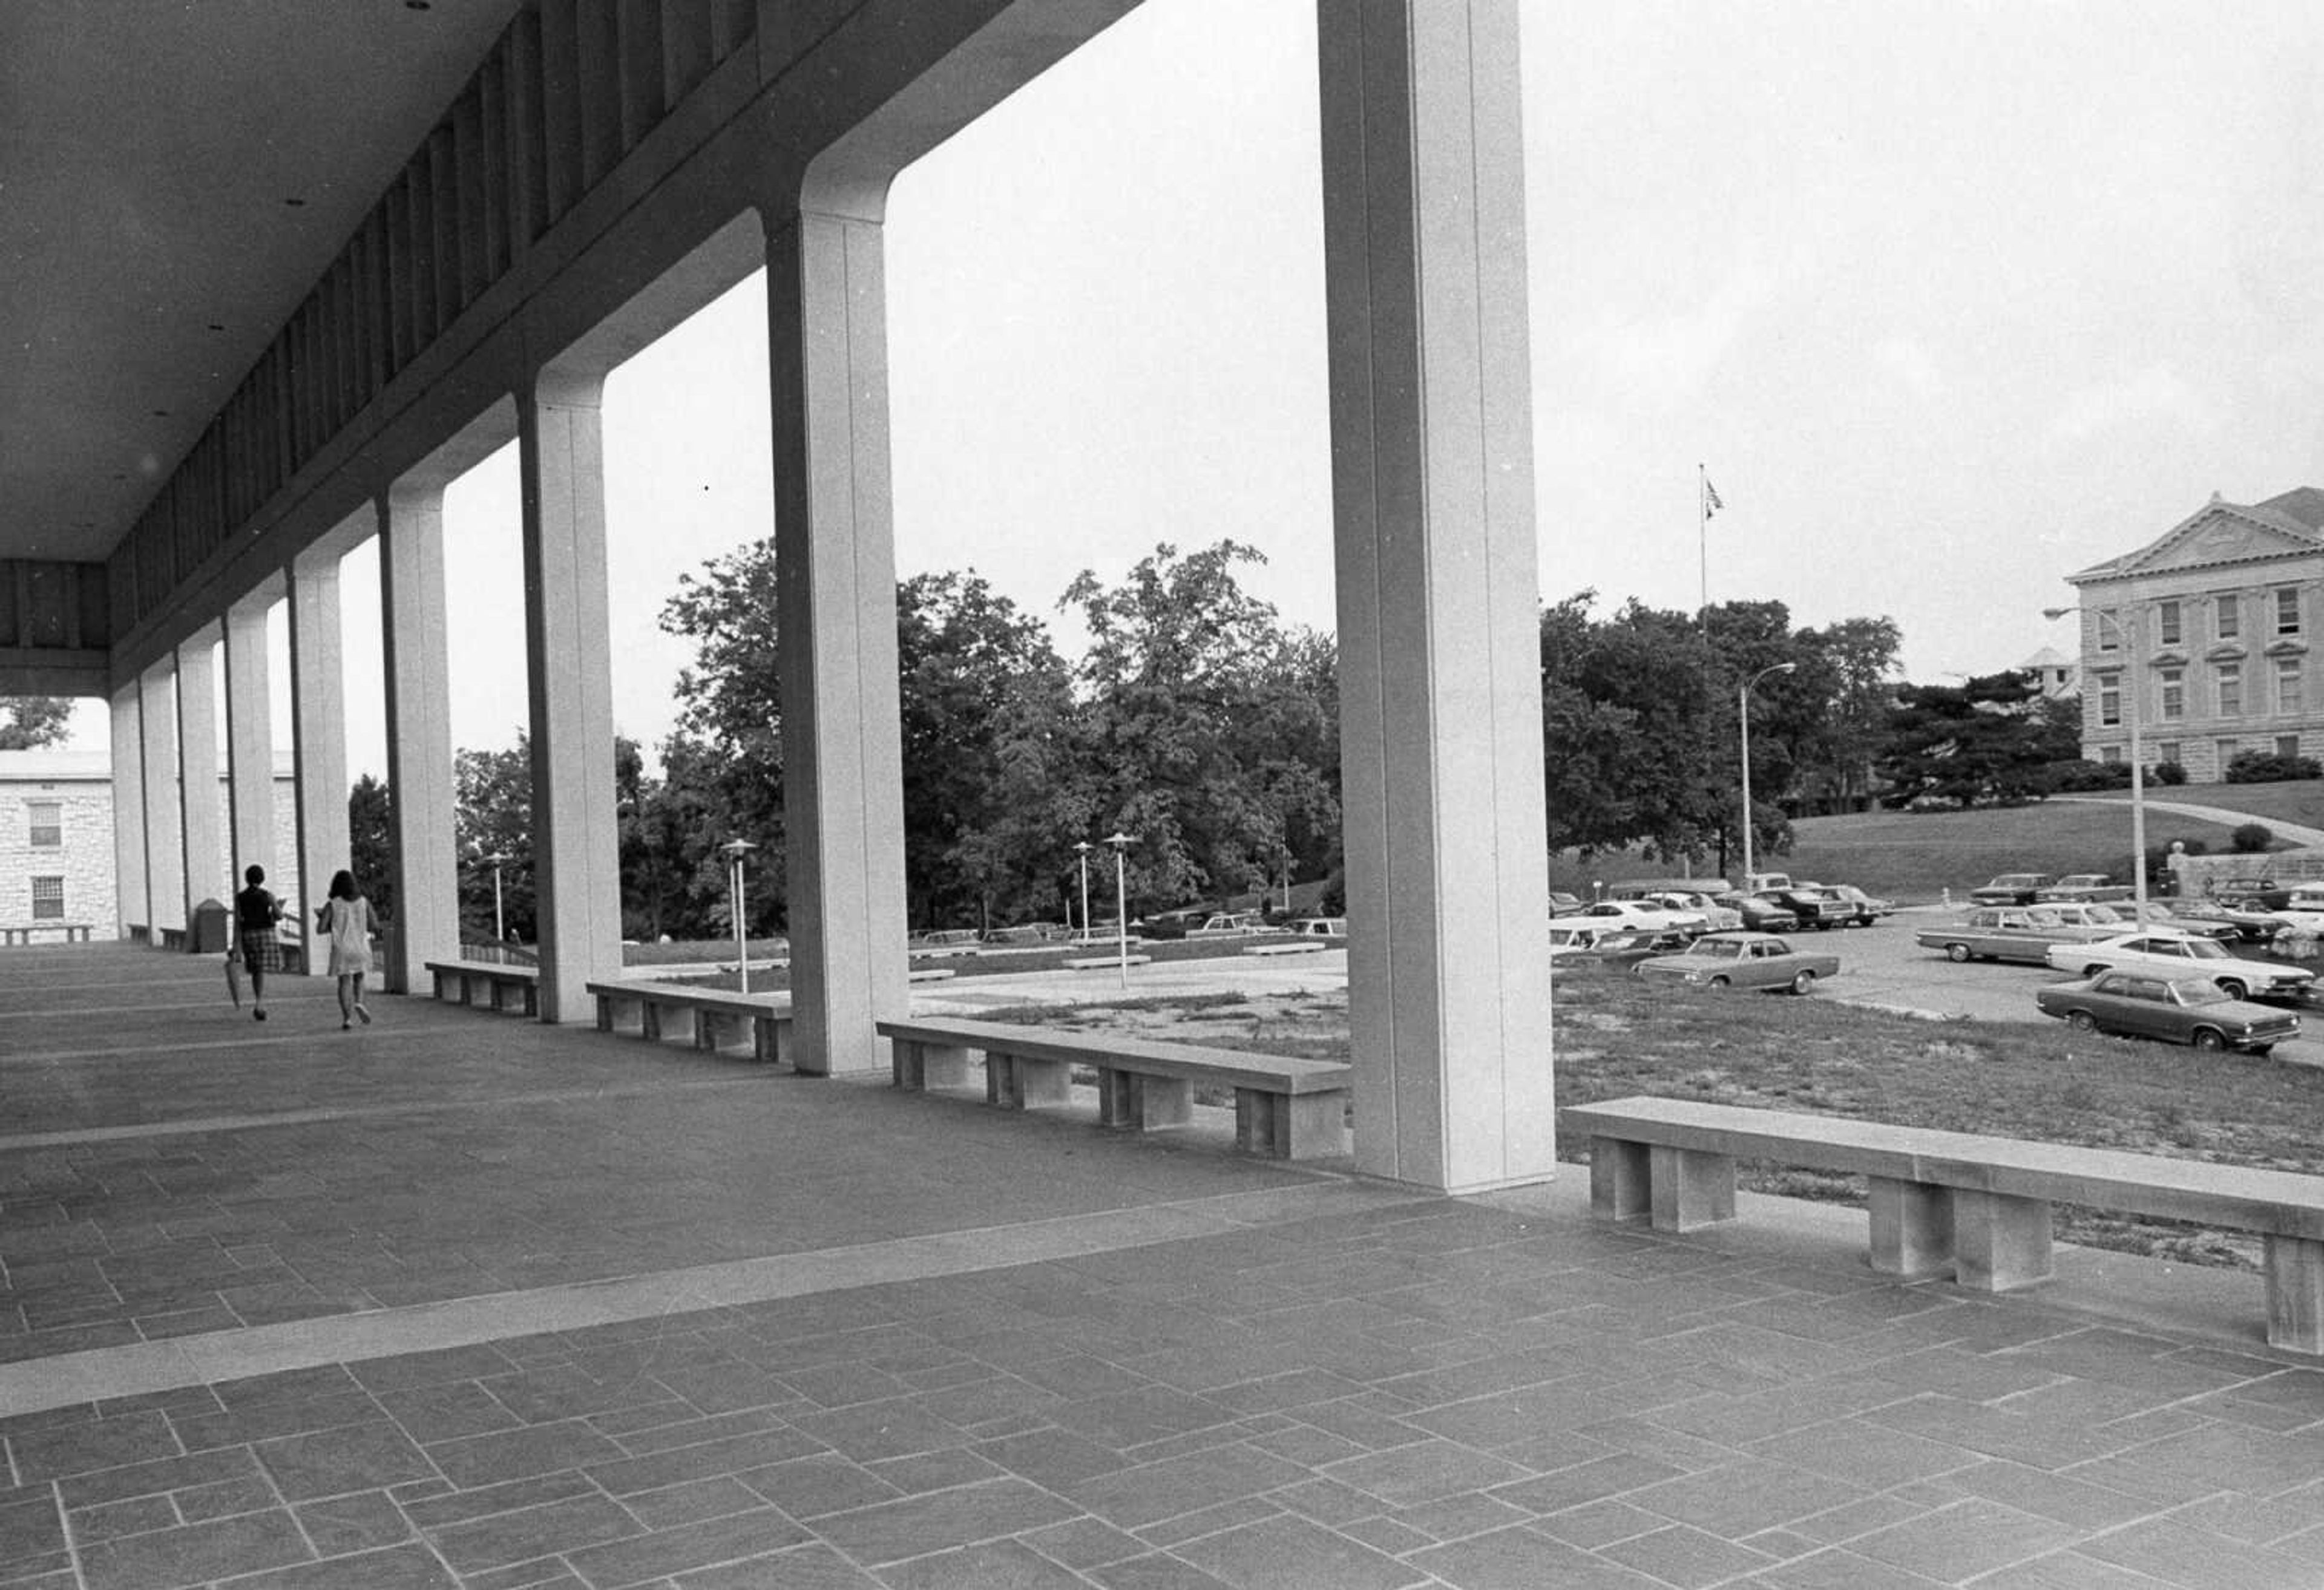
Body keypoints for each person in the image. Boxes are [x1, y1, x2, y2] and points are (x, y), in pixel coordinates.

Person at [317, 869, 375, 1030]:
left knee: (343, 981)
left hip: (341, 948)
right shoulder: (364, 902)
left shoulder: (332, 904)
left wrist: (332, 925)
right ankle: (359, 1003)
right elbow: (375, 924)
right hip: (361, 946)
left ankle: (347, 1018)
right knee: (359, 977)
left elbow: (320, 929)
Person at [233, 865, 283, 1020]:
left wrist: (236, 944)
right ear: (262, 878)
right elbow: (279, 915)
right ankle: (259, 1003)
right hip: (266, 934)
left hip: (249, 935)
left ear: (247, 879)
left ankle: (259, 1001)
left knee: (256, 970)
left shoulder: (240, 897)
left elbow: (238, 922)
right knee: (261, 969)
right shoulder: (268, 895)